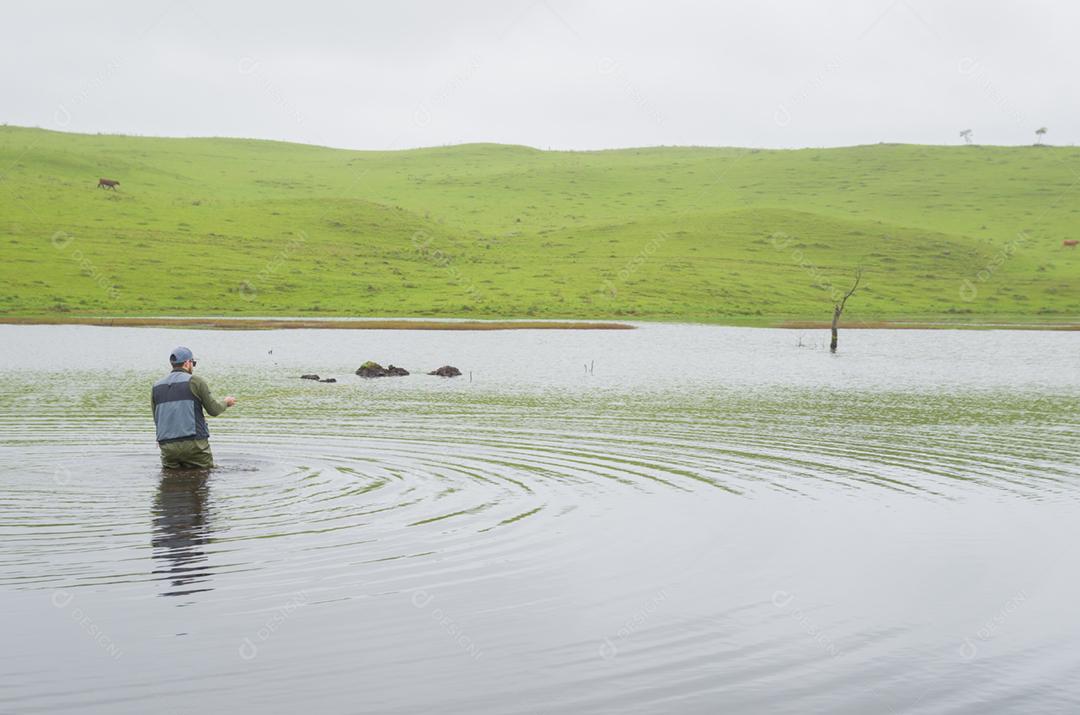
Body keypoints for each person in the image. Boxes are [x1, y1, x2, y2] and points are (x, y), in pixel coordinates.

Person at [151, 346, 237, 469]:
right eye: (193, 363)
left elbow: (157, 418)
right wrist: (226, 403)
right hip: (194, 444)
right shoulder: (196, 382)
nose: (193, 366)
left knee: (170, 483)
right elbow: (214, 410)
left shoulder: (156, 386)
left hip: (167, 446)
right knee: (204, 477)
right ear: (187, 363)